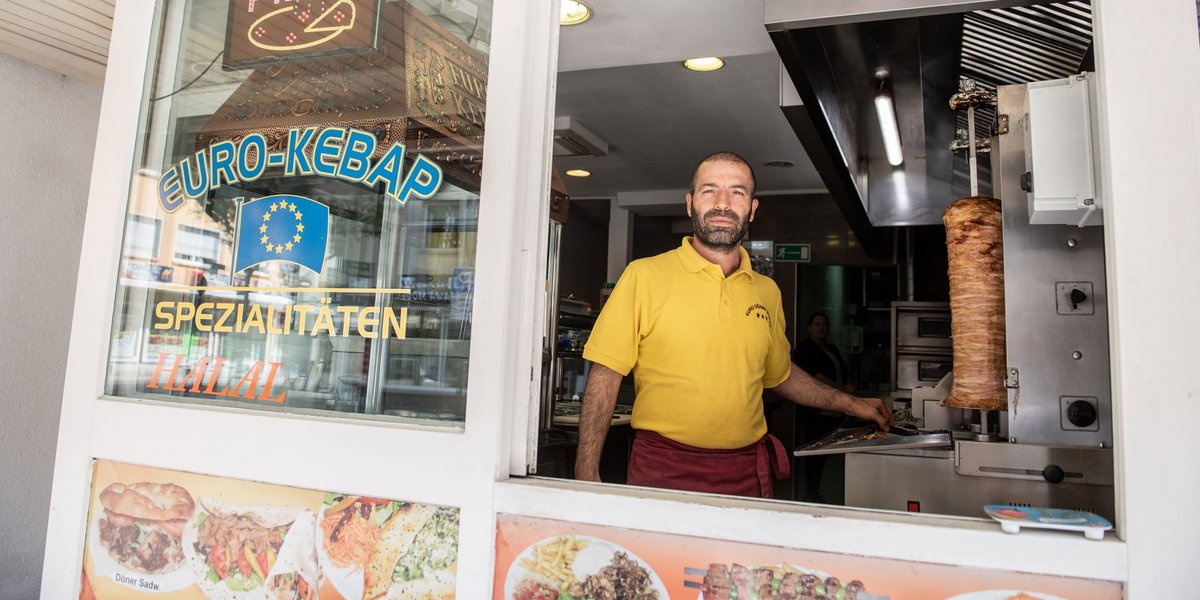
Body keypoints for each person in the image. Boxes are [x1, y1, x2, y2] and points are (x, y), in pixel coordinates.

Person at [574, 151, 891, 498]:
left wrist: (852, 404)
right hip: (663, 468)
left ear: (752, 209)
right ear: (690, 204)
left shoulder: (766, 291)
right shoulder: (643, 275)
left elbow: (781, 374)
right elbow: (605, 376)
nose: (723, 203)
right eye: (710, 190)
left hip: (745, 471)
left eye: (737, 192)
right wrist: (586, 473)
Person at [792, 311, 855, 503]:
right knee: (815, 455)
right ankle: (811, 493)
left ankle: (817, 491)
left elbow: (843, 370)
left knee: (827, 455)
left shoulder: (832, 349)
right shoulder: (805, 349)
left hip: (833, 411)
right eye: (817, 324)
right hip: (816, 412)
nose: (821, 328)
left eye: (825, 325)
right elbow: (815, 377)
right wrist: (844, 390)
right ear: (810, 327)